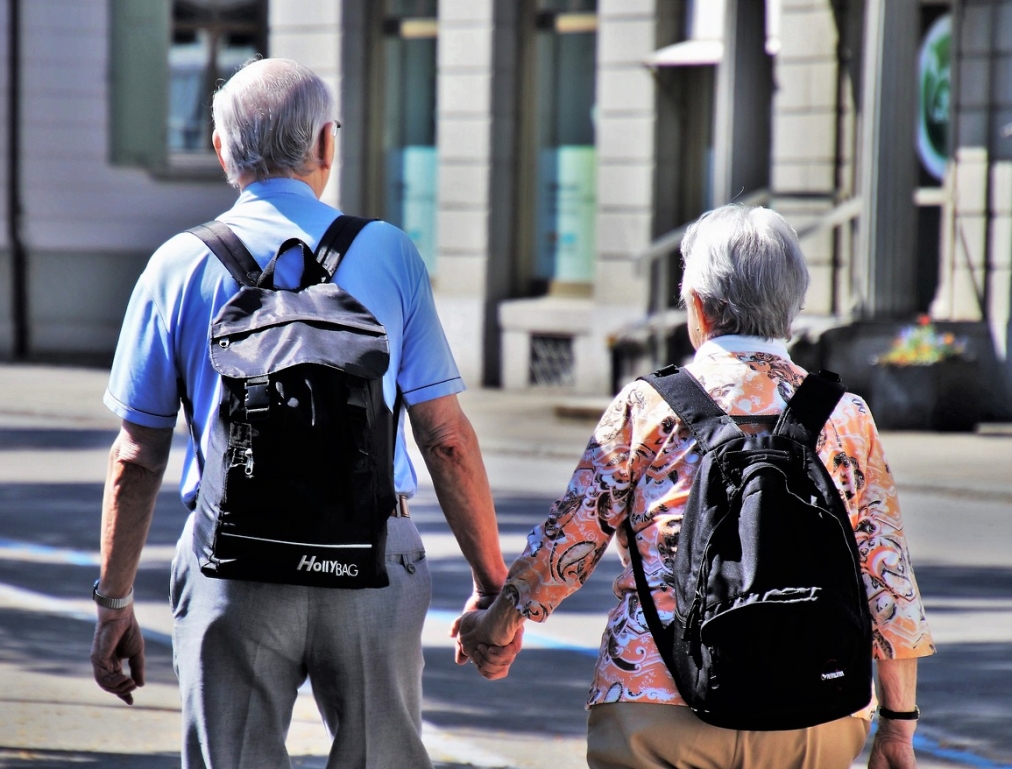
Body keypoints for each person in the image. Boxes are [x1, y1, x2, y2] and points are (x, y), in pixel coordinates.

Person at [90, 57, 513, 769]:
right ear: (326, 144)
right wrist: (492, 587)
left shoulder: (176, 264)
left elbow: (137, 455)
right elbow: (444, 439)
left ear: (222, 151)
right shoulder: (389, 253)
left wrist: (114, 603)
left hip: (232, 567)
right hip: (372, 559)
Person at [455, 204, 936, 769]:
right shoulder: (846, 416)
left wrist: (498, 622)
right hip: (815, 710)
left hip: (655, 701)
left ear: (699, 307)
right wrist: (898, 728)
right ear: (791, 309)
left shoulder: (648, 404)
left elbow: (571, 541)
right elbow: (888, 576)